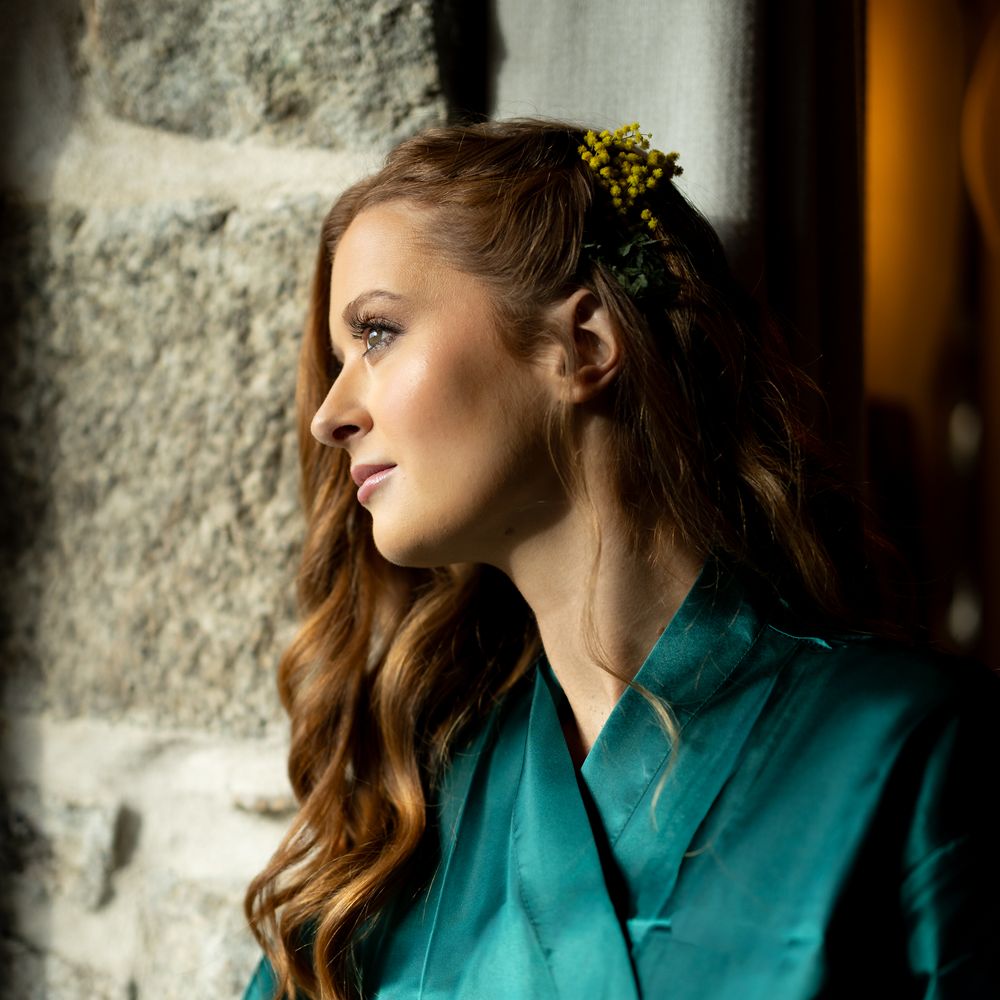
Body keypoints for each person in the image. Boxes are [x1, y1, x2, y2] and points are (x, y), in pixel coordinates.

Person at [242, 119, 999, 1000]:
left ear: (585, 345)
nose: (328, 416)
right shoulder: (400, 827)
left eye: (376, 334)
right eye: (340, 360)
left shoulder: (914, 751)